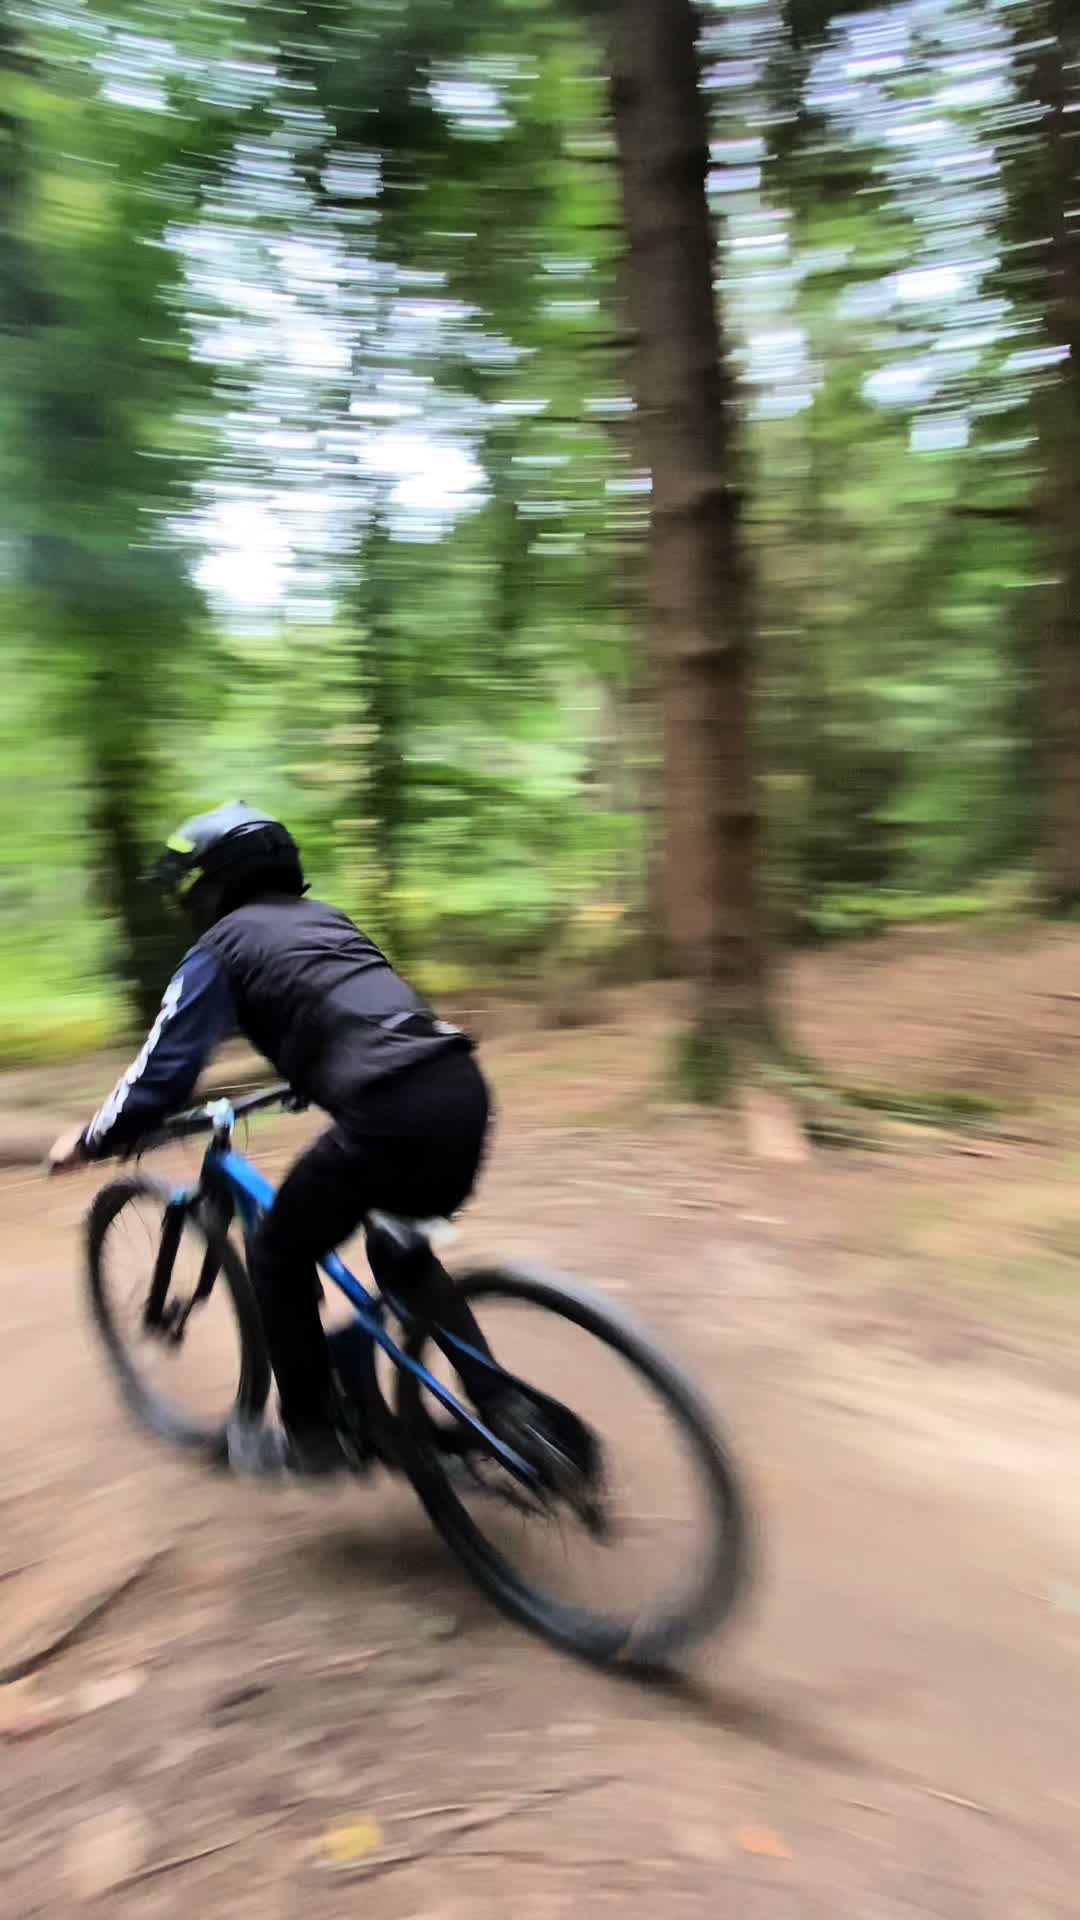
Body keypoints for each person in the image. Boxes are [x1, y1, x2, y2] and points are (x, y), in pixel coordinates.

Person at [48, 802, 502, 1476]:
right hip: (459, 1089)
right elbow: (364, 1013)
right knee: (399, 1250)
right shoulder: (329, 922)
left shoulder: (218, 949)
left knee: (277, 1255)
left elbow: (161, 1074)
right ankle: (505, 1411)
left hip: (387, 1113)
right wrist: (307, 1074)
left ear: (210, 884)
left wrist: (93, 1138)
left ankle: (312, 1433)